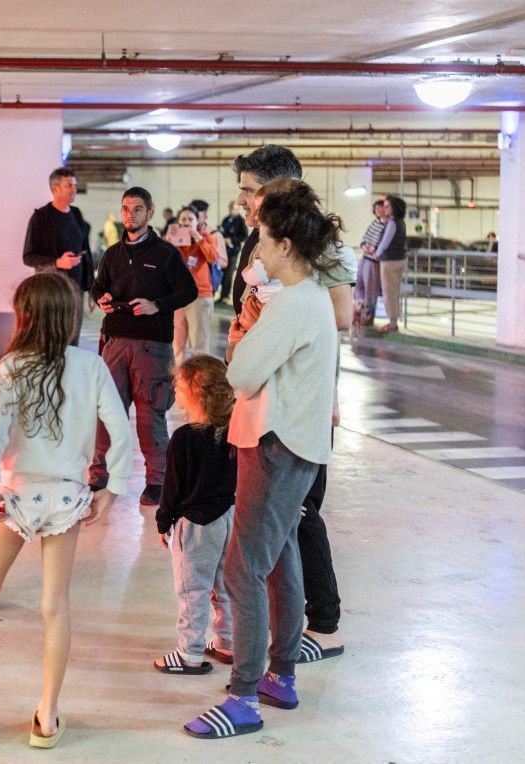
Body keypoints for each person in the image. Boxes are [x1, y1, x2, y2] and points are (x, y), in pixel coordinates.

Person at [0, 272, 131, 749]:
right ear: (69, 317)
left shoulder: (10, 369)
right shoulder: (91, 366)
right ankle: (47, 715)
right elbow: (121, 431)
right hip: (66, 496)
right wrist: (113, 489)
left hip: (17, 493)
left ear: (26, 316)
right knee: (55, 606)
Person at [185, 180, 340, 739]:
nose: (258, 250)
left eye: (265, 241)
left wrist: (246, 335)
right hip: (291, 443)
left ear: (287, 246)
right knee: (277, 557)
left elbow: (241, 372)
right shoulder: (310, 298)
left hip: (276, 445)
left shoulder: (293, 304)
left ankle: (244, 696)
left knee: (241, 567)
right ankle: (280, 674)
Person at [228, 146, 353, 663]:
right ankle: (279, 640)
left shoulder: (315, 249)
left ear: (277, 189)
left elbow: (340, 316)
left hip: (300, 400)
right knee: (276, 534)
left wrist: (276, 313)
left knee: (301, 516)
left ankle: (323, 625)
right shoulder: (260, 241)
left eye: (249, 189)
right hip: (266, 397)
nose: (242, 199)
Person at [89, 187, 196, 510]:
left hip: (152, 344)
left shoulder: (166, 254)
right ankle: (98, 474)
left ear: (150, 212)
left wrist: (156, 305)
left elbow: (188, 291)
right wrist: (101, 298)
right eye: (125, 208)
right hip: (115, 342)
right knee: (107, 412)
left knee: (150, 415)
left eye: (137, 209)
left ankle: (157, 481)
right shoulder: (113, 254)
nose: (130, 215)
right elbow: (98, 286)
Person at [154, 354, 237, 675]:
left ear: (195, 391)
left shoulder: (185, 438)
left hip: (197, 525)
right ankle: (227, 642)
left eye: (178, 385)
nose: (174, 389)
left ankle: (189, 653)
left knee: (193, 590)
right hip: (231, 517)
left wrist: (163, 522)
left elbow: (172, 488)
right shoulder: (235, 432)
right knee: (225, 586)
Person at [22, 167, 93, 344]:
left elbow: (86, 252)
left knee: (72, 341)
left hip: (75, 291)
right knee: (51, 339)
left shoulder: (76, 214)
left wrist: (92, 287)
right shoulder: (41, 217)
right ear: (55, 189)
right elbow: (28, 257)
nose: (74, 189)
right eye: (69, 185)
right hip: (51, 292)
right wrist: (57, 262)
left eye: (75, 185)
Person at [167, 207, 220, 361]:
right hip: (178, 296)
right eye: (183, 219)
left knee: (198, 345)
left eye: (191, 219)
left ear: (197, 222)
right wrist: (168, 242)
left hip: (199, 296)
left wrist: (198, 238)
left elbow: (213, 258)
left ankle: (199, 376)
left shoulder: (205, 237)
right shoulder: (174, 239)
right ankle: (179, 375)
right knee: (177, 345)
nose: (187, 222)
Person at [373, 195, 408, 333]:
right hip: (400, 259)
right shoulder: (401, 222)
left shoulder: (392, 222)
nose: (385, 209)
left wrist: (377, 254)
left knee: (388, 292)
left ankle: (392, 323)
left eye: (387, 206)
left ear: (394, 208)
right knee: (394, 292)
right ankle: (394, 321)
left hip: (389, 261)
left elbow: (385, 242)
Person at [353, 198, 387, 329]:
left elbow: (384, 243)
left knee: (370, 291)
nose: (378, 210)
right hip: (365, 258)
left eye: (381, 207)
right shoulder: (375, 223)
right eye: (376, 208)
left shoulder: (387, 225)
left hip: (373, 261)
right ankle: (359, 313)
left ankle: (368, 319)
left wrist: (375, 248)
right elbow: (365, 237)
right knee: (358, 285)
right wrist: (364, 245)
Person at [218, 201, 248, 304]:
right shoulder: (226, 219)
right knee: (222, 273)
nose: (231, 209)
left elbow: (244, 236)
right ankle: (221, 295)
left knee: (228, 274)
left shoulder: (241, 221)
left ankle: (226, 296)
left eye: (234, 208)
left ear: (238, 209)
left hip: (233, 251)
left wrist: (231, 240)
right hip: (223, 250)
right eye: (230, 207)